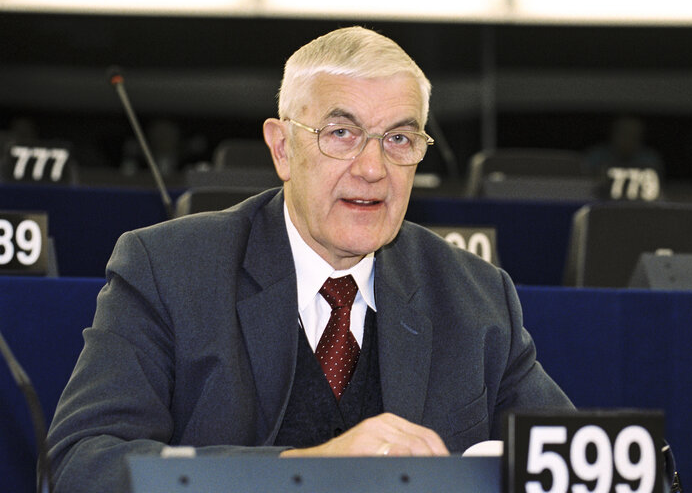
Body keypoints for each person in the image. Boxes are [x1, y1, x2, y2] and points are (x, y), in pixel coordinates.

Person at [45, 26, 573, 492]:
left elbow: (573, 462)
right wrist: (305, 469)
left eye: (399, 138)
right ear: (281, 149)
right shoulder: (169, 269)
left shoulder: (475, 295)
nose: (373, 168)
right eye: (341, 134)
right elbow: (80, 464)